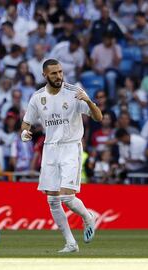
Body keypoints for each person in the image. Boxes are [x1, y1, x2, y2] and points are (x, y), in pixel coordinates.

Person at [21, 59, 102, 252]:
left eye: (60, 72)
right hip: (50, 149)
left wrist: (88, 101)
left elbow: (99, 117)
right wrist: (24, 133)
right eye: (54, 73)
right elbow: (26, 123)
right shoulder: (37, 97)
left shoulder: (74, 92)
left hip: (70, 147)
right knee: (52, 200)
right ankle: (70, 243)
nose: (59, 76)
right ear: (45, 75)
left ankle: (88, 217)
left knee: (66, 197)